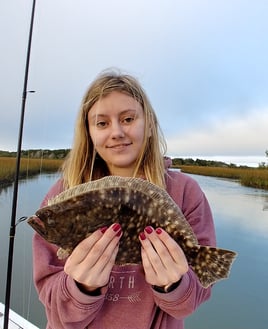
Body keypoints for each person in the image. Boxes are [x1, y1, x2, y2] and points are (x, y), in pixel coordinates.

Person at [32, 69, 216, 329]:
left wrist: (173, 284)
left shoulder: (186, 192)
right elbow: (54, 305)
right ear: (89, 133)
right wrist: (81, 287)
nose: (116, 132)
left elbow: (190, 300)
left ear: (149, 124)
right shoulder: (62, 196)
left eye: (128, 119)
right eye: (102, 123)